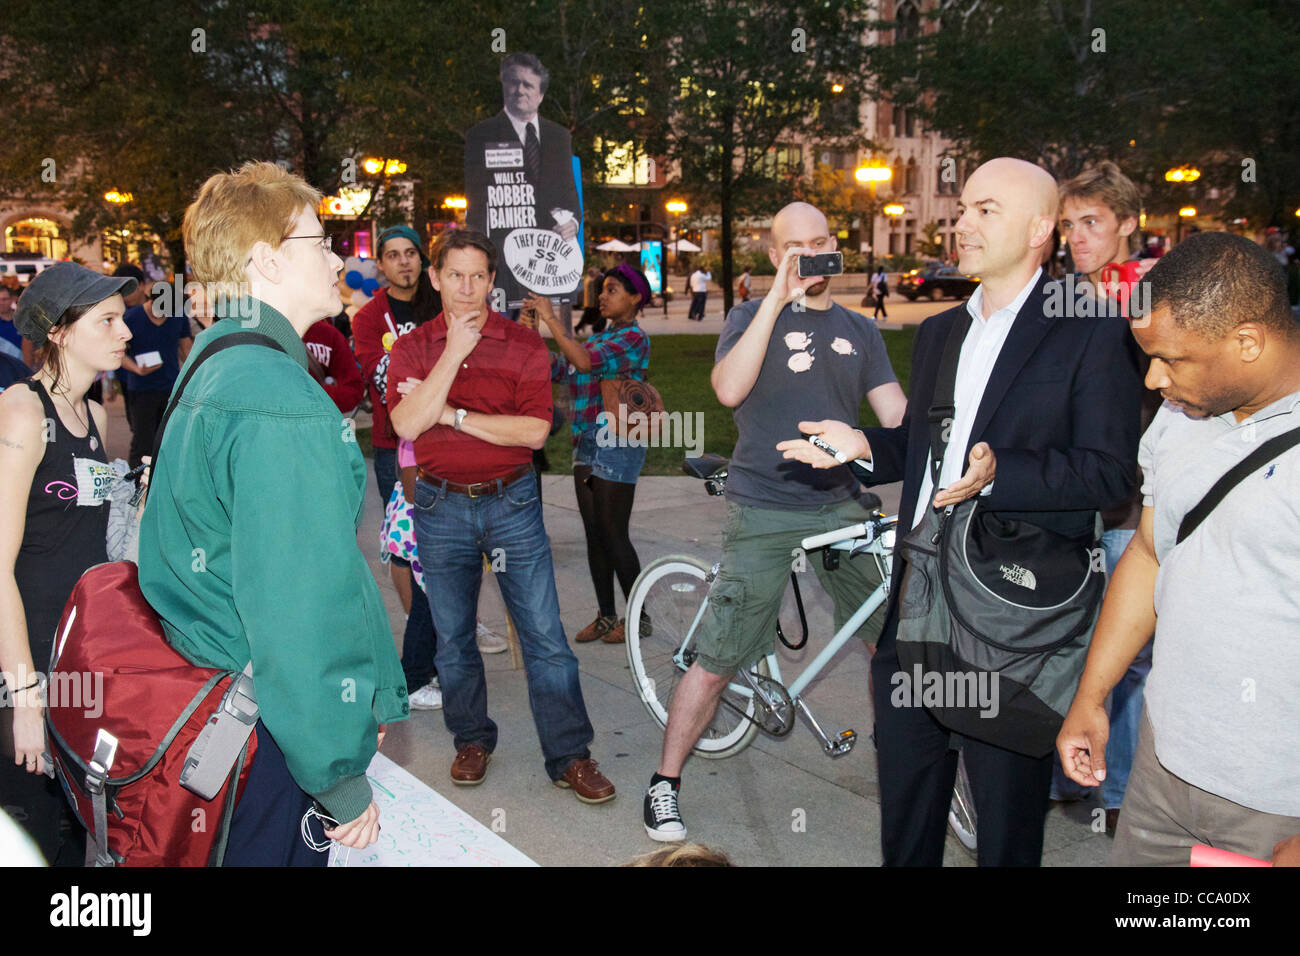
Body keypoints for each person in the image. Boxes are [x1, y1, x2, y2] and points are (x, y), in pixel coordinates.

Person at [780, 158, 1142, 866]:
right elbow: (926, 448)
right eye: (962, 208)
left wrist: (1002, 474)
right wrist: (861, 446)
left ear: (1042, 230)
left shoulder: (1092, 329)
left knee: (1005, 832)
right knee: (908, 821)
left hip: (1011, 619)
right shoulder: (942, 330)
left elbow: (1109, 473)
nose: (963, 224)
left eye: (985, 210)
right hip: (916, 612)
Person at [138, 161, 407, 864]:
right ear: (265, 260)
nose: (338, 257)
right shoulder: (273, 392)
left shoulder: (219, 361)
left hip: (236, 712)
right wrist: (340, 774)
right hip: (267, 732)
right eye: (320, 242)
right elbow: (295, 609)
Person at [643, 202, 907, 842]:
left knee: (889, 640)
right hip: (763, 504)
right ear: (773, 255)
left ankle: (900, 760)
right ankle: (664, 783)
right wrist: (774, 299)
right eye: (795, 248)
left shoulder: (859, 331)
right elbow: (729, 389)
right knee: (720, 656)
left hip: (841, 501)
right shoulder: (745, 317)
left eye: (820, 243)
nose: (811, 256)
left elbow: (897, 419)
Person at [1058, 232, 1300, 866]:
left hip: (1276, 809)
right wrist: (1092, 695)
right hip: (1161, 776)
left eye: (1171, 359)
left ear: (1247, 341)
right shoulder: (1180, 413)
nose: (1153, 378)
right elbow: (1149, 552)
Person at [388, 229, 614, 803]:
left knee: (545, 636)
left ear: (493, 281)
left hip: (512, 500)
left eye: (478, 277)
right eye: (455, 276)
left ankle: (570, 755)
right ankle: (471, 739)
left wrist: (453, 414)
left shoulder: (522, 343)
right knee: (452, 638)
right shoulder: (413, 348)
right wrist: (455, 355)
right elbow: (406, 425)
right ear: (435, 278)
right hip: (438, 505)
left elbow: (533, 431)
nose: (467, 289)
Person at [1, 262, 137, 865]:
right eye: (107, 319)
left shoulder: (97, 418)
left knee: (75, 830)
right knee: (30, 837)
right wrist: (24, 698)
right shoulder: (22, 411)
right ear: (58, 331)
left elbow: (93, 538)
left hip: (80, 657)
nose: (125, 332)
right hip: (24, 661)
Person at [1054, 161, 1161, 826]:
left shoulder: (1150, 298)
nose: (1076, 236)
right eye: (1067, 225)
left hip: (1130, 500)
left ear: (1126, 224)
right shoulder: (1061, 298)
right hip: (1067, 497)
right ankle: (1066, 774)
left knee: (1128, 651)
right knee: (1063, 637)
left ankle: (1118, 791)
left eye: (1091, 222)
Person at [523, 265, 652, 645]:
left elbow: (583, 362)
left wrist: (551, 318)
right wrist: (532, 331)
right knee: (595, 534)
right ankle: (606, 616)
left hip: (618, 441)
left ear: (635, 298)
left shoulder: (634, 338)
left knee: (614, 533)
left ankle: (639, 618)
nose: (603, 295)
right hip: (587, 441)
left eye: (613, 290)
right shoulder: (601, 337)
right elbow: (562, 367)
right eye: (602, 289)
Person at [465, 52, 582, 307]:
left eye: (528, 84)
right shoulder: (481, 135)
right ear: (504, 86)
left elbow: (568, 192)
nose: (520, 90)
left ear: (540, 94)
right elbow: (475, 207)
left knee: (546, 335)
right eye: (513, 82)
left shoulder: (559, 136)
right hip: (502, 263)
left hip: (549, 260)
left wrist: (573, 221)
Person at [118, 281, 193, 468]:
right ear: (151, 301)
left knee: (169, 440)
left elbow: (186, 349)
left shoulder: (178, 316)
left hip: (171, 388)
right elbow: (119, 352)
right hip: (142, 389)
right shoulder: (131, 318)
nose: (166, 315)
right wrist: (136, 369)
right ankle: (136, 487)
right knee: (143, 442)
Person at [303, 316, 363, 414]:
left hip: (319, 422)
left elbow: (354, 391)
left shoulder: (329, 333)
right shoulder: (272, 331)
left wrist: (317, 395)